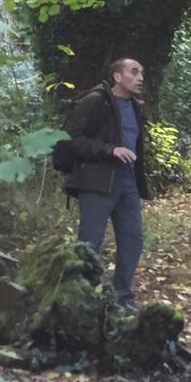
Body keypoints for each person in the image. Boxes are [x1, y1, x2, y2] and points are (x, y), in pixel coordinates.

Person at [63, 57, 151, 309]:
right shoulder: (95, 101)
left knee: (133, 240)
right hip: (98, 184)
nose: (140, 77)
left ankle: (123, 299)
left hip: (128, 185)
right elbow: (70, 138)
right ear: (117, 77)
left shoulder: (135, 106)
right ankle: (81, 297)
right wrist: (109, 150)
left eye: (141, 72)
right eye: (134, 72)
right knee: (90, 243)